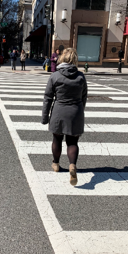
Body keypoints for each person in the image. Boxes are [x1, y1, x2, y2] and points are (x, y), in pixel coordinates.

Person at [41, 48, 88, 186]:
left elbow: (48, 97)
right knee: (72, 142)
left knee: (57, 139)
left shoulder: (55, 76)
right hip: (75, 111)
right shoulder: (80, 76)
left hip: (59, 111)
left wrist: (45, 117)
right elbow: (84, 97)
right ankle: (72, 165)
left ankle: (55, 164)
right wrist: (80, 111)